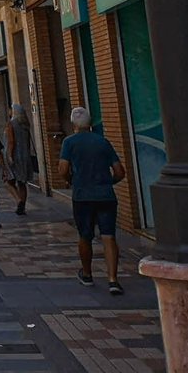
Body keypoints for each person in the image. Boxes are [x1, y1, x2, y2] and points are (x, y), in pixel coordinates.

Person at [59, 107, 127, 294]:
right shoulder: (102, 142)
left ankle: (87, 274)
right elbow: (120, 171)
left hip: (82, 196)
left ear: (73, 124)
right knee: (109, 236)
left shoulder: (69, 142)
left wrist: (71, 181)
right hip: (106, 195)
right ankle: (113, 280)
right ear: (90, 123)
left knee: (85, 236)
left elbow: (63, 169)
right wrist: (108, 182)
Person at [5, 104, 38, 216]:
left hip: (15, 156)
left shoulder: (11, 124)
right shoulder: (25, 125)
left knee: (8, 181)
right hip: (25, 156)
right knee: (22, 182)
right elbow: (28, 142)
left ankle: (18, 200)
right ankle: (22, 206)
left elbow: (11, 142)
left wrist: (9, 156)